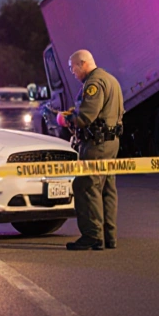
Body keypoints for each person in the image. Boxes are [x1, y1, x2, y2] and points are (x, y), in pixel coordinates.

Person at [56, 50, 124, 250]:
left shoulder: (94, 83)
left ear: (82, 64)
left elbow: (86, 117)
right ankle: (109, 236)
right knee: (107, 189)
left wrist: (65, 119)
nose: (72, 73)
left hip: (97, 145)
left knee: (85, 187)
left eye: (73, 68)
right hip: (111, 143)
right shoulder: (111, 79)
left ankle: (92, 235)